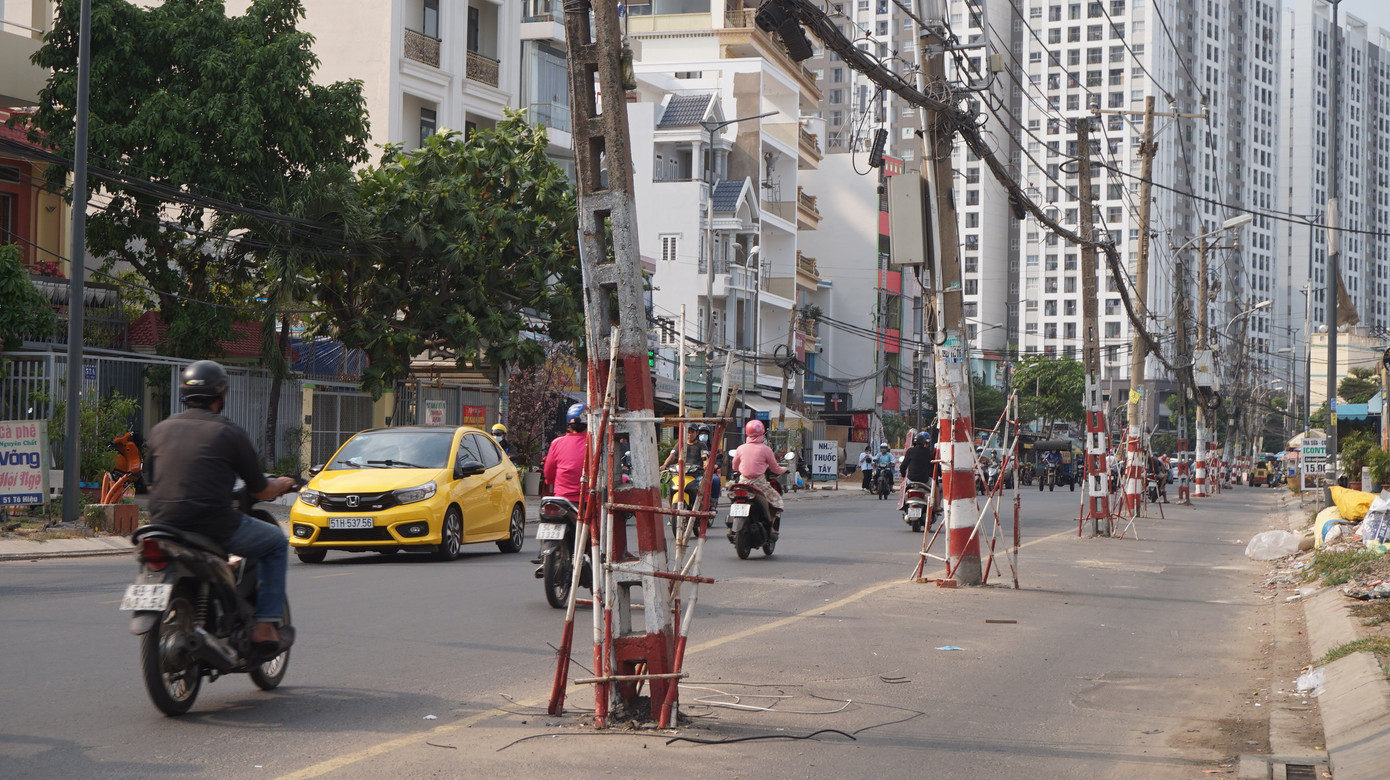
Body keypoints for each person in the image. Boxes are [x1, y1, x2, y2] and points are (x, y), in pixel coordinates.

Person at [145, 360, 296, 653]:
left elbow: (150, 484)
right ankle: (265, 627)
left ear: (183, 394)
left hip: (163, 523)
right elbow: (261, 490)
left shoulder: (159, 430)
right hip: (212, 524)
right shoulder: (229, 432)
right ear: (221, 394)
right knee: (276, 543)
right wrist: (282, 484)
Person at [732, 419, 786, 538]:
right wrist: (783, 470)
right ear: (762, 433)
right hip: (759, 483)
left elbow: (734, 466)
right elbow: (775, 469)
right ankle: (771, 527)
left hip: (742, 483)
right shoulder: (766, 449)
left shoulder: (741, 448)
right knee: (777, 502)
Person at [542, 403, 589, 504]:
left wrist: (549, 481)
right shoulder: (595, 444)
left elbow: (548, 472)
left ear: (569, 426)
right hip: (588, 500)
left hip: (561, 500)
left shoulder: (557, 443)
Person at [662, 423, 711, 507]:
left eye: (692, 432)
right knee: (669, 490)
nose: (690, 434)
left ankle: (702, 507)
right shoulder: (680, 444)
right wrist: (664, 465)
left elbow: (704, 456)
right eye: (688, 432)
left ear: (696, 433)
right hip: (681, 475)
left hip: (696, 475)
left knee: (702, 487)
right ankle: (672, 512)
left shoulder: (701, 445)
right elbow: (672, 456)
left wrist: (706, 464)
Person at [898, 433, 933, 509]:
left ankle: (902, 503)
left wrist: (903, 474)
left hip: (911, 479)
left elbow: (903, 466)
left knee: (904, 488)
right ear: (924, 443)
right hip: (925, 480)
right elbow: (932, 465)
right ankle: (935, 506)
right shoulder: (928, 451)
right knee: (934, 487)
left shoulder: (910, 451)